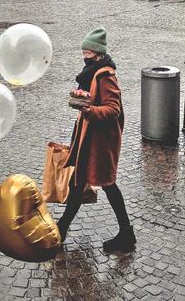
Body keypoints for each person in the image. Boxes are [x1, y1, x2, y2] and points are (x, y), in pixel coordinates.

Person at [56, 28, 135, 253]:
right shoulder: (91, 73)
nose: (84, 54)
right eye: (83, 50)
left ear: (98, 54)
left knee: (107, 184)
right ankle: (61, 230)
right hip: (89, 139)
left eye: (88, 51)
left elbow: (113, 109)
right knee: (79, 183)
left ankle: (126, 234)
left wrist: (90, 111)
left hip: (101, 142)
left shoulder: (106, 76)